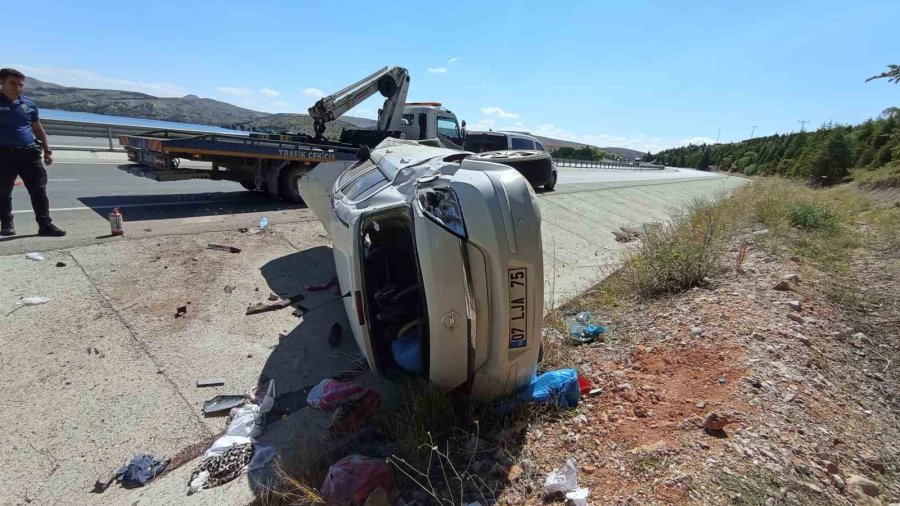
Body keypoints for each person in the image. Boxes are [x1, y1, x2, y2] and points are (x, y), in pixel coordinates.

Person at [0, 68, 65, 236]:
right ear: (2, 82)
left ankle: (45, 225)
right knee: (3, 191)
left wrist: (47, 150)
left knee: (39, 191)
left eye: (20, 84)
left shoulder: (28, 104)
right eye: (13, 83)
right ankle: (7, 223)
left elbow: (37, 128)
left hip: (29, 154)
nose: (17, 88)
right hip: (4, 155)